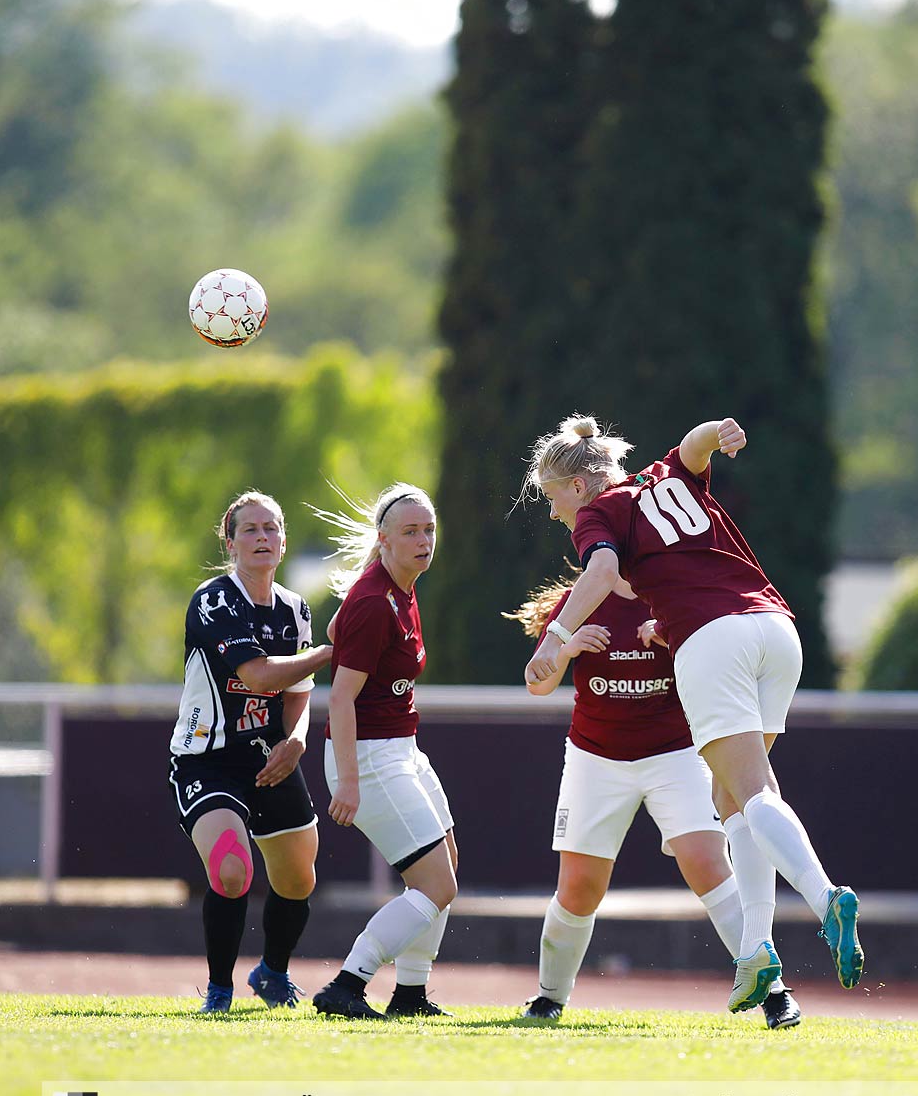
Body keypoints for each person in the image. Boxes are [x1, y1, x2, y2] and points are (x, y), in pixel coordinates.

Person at [522, 414, 862, 1014]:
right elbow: (693, 444)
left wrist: (556, 639)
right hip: (777, 630)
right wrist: (723, 431)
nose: (554, 513)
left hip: (715, 643)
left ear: (578, 487)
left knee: (753, 799)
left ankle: (825, 895)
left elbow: (600, 570)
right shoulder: (664, 475)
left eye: (552, 497)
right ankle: (757, 956)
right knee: (739, 805)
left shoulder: (602, 517)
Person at [506, 573, 802, 1029]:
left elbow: (720, 672)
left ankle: (774, 993)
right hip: (595, 757)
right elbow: (536, 684)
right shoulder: (580, 600)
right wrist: (565, 648)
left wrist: (674, 644)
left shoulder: (676, 594)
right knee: (580, 887)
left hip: (675, 755)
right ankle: (549, 997)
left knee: (707, 863)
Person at [171, 491, 334, 1013]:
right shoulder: (214, 599)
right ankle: (219, 991)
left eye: (271, 529)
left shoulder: (295, 608)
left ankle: (272, 974)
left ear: (284, 541)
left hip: (270, 755)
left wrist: (298, 740)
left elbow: (298, 695)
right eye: (250, 529)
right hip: (209, 758)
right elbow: (258, 676)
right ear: (231, 542)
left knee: (298, 876)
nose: (262, 537)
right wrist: (331, 653)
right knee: (232, 870)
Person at [307, 483, 458, 1020]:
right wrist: (348, 782)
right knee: (436, 883)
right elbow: (340, 698)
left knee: (445, 872)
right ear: (385, 539)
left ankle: (411, 994)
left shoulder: (397, 587)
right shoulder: (375, 602)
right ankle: (347, 984)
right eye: (411, 532)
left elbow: (335, 630)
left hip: (400, 748)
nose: (423, 540)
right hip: (369, 756)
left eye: (429, 530)